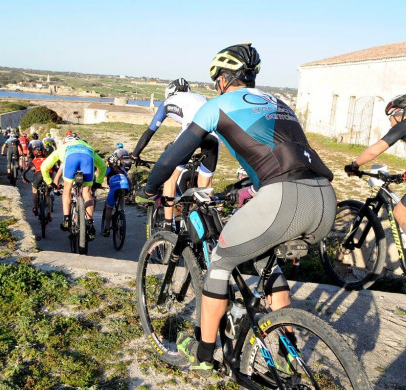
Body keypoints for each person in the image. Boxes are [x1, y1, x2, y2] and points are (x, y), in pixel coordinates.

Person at [137, 43, 336, 376]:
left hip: (282, 199)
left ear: (224, 79)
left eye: (216, 78)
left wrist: (148, 189)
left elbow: (172, 157)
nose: (216, 85)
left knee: (219, 262)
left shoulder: (218, 105)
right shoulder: (281, 103)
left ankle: (202, 354)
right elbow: (283, 157)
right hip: (325, 199)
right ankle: (290, 352)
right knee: (266, 263)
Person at [345, 92, 406, 283]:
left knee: (402, 213)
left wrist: (354, 165)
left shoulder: (404, 125)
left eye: (390, 118)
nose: (391, 123)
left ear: (399, 113)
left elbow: (375, 149)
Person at [132, 77, 221, 232]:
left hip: (192, 131)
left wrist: (135, 154)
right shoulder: (200, 97)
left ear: (170, 93)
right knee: (205, 185)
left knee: (170, 177)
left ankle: (168, 224)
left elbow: (149, 132)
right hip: (214, 136)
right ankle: (208, 224)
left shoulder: (167, 102)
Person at [40, 133, 106, 240]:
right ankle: (90, 223)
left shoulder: (63, 147)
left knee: (67, 188)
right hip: (87, 158)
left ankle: (66, 219)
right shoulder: (88, 146)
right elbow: (103, 166)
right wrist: (98, 181)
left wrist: (49, 181)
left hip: (71, 158)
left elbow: (44, 167)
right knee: (87, 192)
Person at [101, 153, 131, 237]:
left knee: (109, 208)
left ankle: (107, 229)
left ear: (108, 162)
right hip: (125, 186)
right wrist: (131, 188)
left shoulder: (108, 169)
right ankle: (122, 211)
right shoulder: (121, 168)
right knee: (122, 195)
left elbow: (100, 178)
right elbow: (129, 180)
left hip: (114, 188)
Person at [22, 146, 54, 221]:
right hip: (47, 176)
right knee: (48, 195)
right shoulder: (48, 159)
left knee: (34, 191)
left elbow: (24, 172)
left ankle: (35, 208)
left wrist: (25, 179)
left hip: (38, 175)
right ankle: (49, 214)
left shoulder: (33, 161)